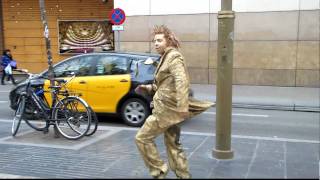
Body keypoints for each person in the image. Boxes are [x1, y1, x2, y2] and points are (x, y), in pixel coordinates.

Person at [135, 25, 215, 179]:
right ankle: (183, 175)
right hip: (169, 109)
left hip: (166, 110)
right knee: (173, 144)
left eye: (159, 40)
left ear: (169, 40)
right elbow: (164, 85)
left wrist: (183, 105)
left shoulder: (173, 57)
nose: (156, 44)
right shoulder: (165, 57)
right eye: (154, 41)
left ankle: (159, 171)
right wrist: (147, 87)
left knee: (142, 138)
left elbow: (181, 80)